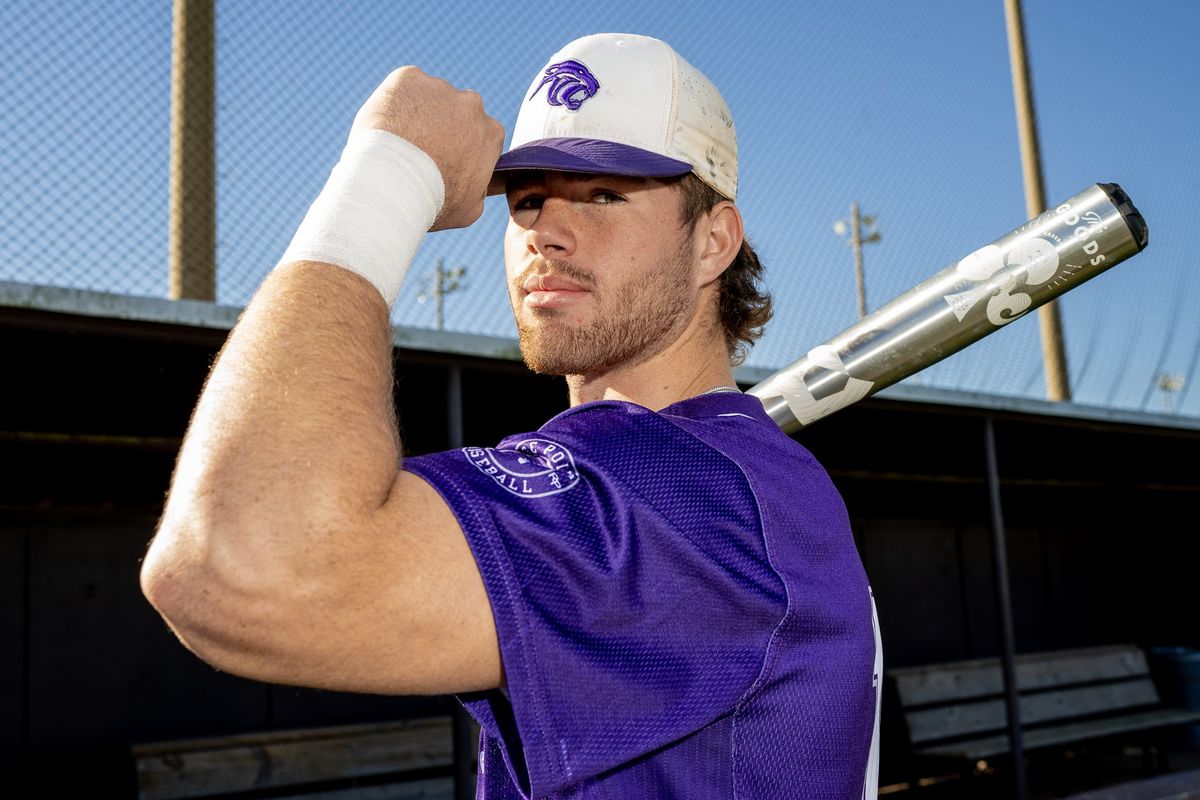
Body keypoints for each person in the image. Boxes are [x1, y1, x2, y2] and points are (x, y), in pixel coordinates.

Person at [141, 33, 882, 799]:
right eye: (527, 200)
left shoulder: (692, 494)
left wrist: (387, 176)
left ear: (713, 243)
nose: (546, 231)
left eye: (604, 195)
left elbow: (233, 564)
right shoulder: (722, 480)